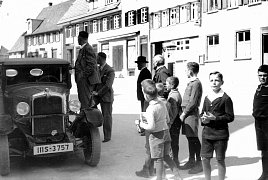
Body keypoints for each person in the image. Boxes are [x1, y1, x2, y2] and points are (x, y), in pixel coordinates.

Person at [139, 79, 182, 180]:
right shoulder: (162, 103)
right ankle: (177, 176)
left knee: (158, 159)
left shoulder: (150, 108)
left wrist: (141, 124)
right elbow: (167, 119)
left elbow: (151, 127)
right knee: (167, 156)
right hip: (166, 133)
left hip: (156, 136)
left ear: (146, 96)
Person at [200, 71, 234, 180]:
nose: (214, 83)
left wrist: (215, 118)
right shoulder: (207, 97)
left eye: (217, 80)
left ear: (222, 82)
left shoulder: (225, 98)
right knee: (205, 159)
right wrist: (203, 119)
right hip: (207, 134)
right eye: (211, 80)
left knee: (220, 159)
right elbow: (202, 113)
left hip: (220, 135)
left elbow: (230, 117)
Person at [179, 62, 203, 174]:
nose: (185, 72)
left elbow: (193, 102)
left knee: (193, 138)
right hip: (187, 113)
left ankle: (199, 163)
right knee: (190, 138)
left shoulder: (196, 83)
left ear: (190, 71)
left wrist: (184, 114)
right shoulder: (191, 83)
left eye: (186, 70)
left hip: (190, 114)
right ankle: (191, 160)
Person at [92, 52, 115, 143]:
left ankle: (107, 136)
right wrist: (93, 92)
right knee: (89, 107)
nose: (96, 60)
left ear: (101, 58)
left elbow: (108, 85)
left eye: (97, 58)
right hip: (97, 95)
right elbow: (95, 81)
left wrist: (98, 93)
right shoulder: (97, 69)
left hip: (106, 96)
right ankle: (92, 131)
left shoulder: (110, 70)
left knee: (107, 116)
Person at [75, 31, 101, 110]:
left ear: (80, 38)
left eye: (78, 38)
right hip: (84, 81)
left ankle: (87, 120)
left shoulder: (88, 48)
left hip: (86, 81)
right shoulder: (83, 48)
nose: (77, 40)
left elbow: (91, 65)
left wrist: (82, 76)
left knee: (85, 104)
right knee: (85, 102)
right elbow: (83, 64)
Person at [253, 65, 268, 180]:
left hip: (267, 123)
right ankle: (265, 174)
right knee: (263, 149)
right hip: (258, 123)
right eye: (260, 75)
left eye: (265, 75)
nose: (262, 78)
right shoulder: (259, 88)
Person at [166, 76, 182, 167]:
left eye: (167, 83)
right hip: (176, 121)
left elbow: (174, 111)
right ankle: (175, 160)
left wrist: (170, 122)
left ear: (172, 85)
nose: (166, 85)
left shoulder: (173, 96)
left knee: (173, 142)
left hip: (174, 121)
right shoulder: (175, 93)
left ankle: (174, 161)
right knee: (174, 142)